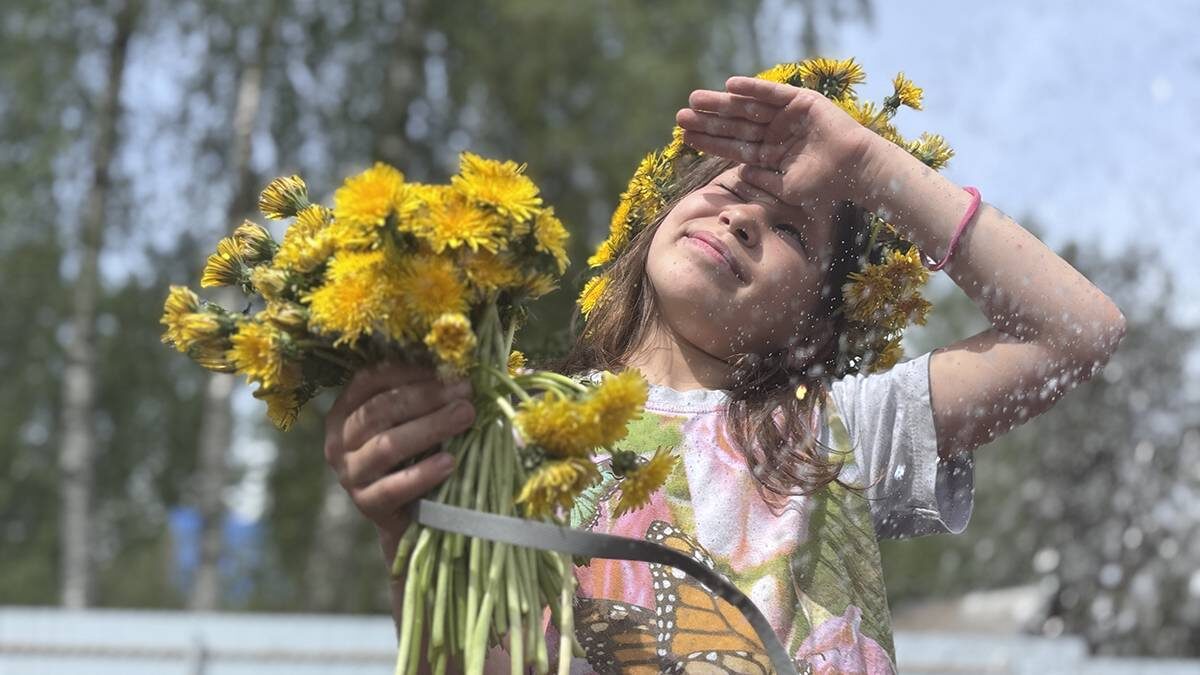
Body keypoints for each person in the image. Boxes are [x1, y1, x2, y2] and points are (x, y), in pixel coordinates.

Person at [322, 60, 1126, 674]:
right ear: (654, 220)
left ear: (815, 322)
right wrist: (409, 528)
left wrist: (869, 167)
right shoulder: (522, 431)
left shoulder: (837, 435)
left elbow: (1077, 331)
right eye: (724, 188)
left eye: (791, 230)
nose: (742, 217)